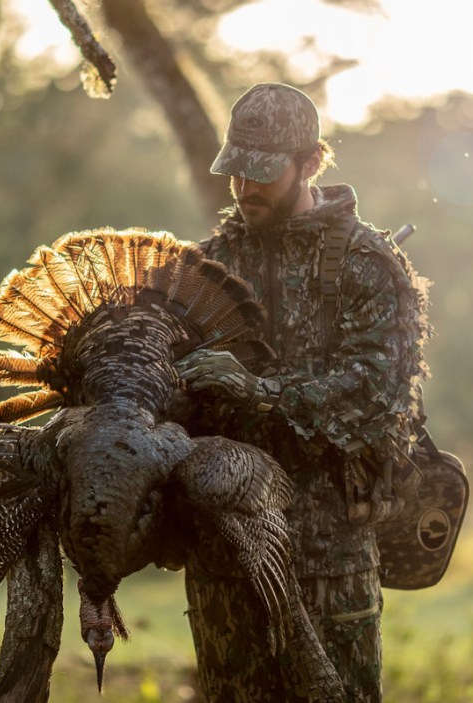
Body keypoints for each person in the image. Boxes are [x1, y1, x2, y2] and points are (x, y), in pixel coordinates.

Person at [174, 82, 433, 702]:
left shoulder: (368, 264)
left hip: (328, 562)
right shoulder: (204, 267)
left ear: (311, 162)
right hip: (224, 560)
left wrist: (261, 392)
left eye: (262, 173)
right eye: (236, 169)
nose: (244, 188)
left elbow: (376, 397)